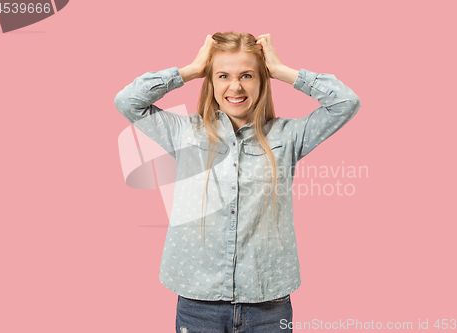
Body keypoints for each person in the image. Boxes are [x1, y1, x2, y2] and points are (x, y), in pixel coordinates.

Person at [114, 31, 361, 333]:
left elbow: (346, 102)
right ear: (211, 80)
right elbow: (128, 101)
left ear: (261, 80)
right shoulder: (184, 132)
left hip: (267, 304)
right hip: (198, 303)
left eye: (247, 75)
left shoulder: (287, 136)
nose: (235, 86)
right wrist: (191, 70)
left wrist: (282, 71)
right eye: (223, 75)